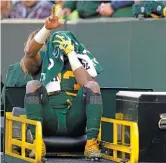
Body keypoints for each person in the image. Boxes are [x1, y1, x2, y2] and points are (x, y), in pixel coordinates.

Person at [23, 5, 104, 160]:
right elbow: (29, 52)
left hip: (73, 121)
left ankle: (92, 144)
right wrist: (46, 29)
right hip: (49, 119)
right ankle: (36, 142)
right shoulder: (43, 60)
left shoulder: (80, 63)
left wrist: (71, 53)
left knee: (93, 86)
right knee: (32, 85)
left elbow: (87, 84)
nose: (60, 47)